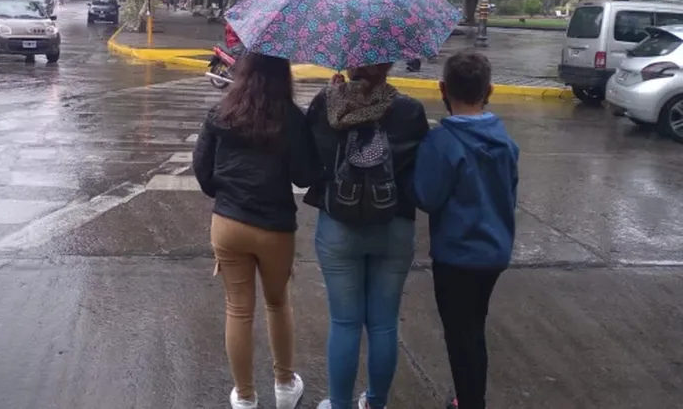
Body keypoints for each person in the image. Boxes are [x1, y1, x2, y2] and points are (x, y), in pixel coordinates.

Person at [192, 53, 319, 409]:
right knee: (277, 303)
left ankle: (245, 397)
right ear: (284, 76)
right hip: (275, 227)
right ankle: (284, 386)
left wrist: (225, 193)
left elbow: (202, 169)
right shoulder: (291, 118)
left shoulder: (222, 113)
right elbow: (304, 176)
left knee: (238, 308)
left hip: (229, 224)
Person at [304, 63, 430, 409]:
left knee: (344, 322)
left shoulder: (325, 103)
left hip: (339, 227)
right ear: (388, 65)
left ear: (349, 61)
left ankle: (340, 404)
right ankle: (375, 402)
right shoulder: (409, 111)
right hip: (394, 223)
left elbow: (305, 166)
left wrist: (333, 97)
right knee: (384, 323)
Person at [413, 52, 518, 409]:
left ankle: (471, 402)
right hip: (493, 253)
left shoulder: (442, 142)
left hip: (456, 256)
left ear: (442, 89)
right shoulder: (505, 142)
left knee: (460, 336)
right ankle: (472, 397)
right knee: (475, 328)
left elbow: (426, 197)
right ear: (489, 90)